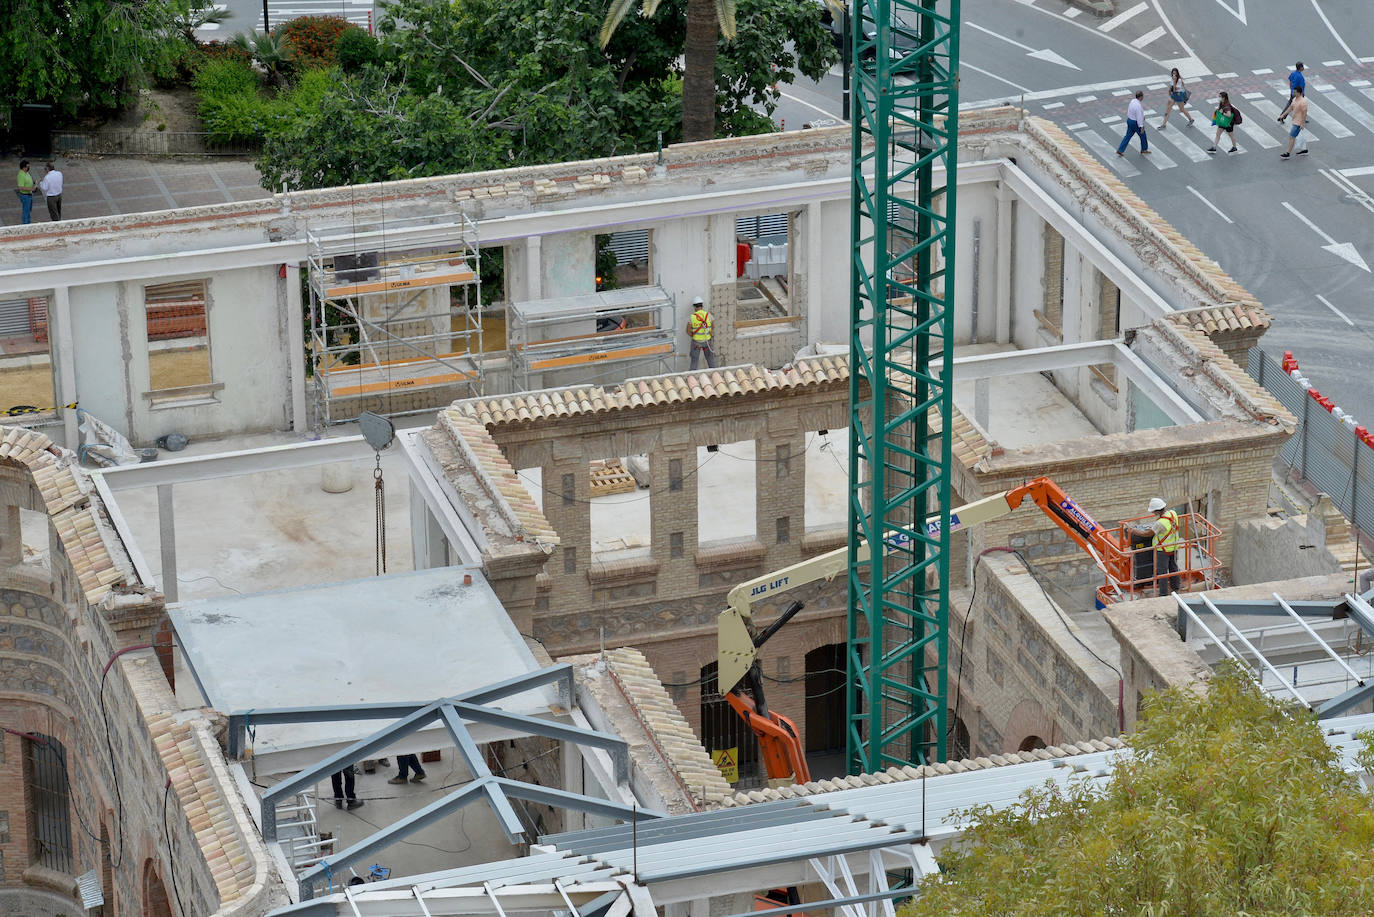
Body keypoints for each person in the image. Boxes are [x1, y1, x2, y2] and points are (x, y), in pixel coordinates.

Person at [1134, 497, 1181, 596]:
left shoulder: (1160, 523)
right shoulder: (1173, 513)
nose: (1153, 514)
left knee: (1162, 573)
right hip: (1174, 546)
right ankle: (1176, 587)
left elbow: (1148, 534)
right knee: (1173, 568)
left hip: (1162, 550)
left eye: (1154, 512)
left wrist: (1133, 531)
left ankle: (1163, 594)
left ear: (1157, 511)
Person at [1115, 90, 1151, 157]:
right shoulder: (1138, 106)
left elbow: (1132, 111)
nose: (1143, 97)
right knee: (1143, 135)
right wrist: (1141, 127)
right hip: (1135, 123)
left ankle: (1120, 149)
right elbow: (1139, 117)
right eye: (1142, 96)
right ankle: (1144, 149)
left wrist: (1142, 116)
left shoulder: (1133, 101)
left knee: (1128, 136)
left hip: (1129, 120)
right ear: (1140, 97)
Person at [686, 296, 717, 370]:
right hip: (707, 342)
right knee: (711, 361)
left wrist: (694, 336)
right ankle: (715, 376)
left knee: (694, 362)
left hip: (696, 343)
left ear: (694, 307)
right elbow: (713, 327)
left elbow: (687, 331)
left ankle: (692, 379)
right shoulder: (709, 315)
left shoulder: (692, 317)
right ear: (702, 306)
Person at [1280, 86, 1310, 159]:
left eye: (1295, 92)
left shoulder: (1303, 102)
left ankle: (1288, 153)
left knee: (1292, 137)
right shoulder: (1294, 99)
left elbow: (1304, 113)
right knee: (1300, 136)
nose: (1293, 93)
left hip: (1298, 123)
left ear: (1299, 93)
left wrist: (1302, 123)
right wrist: (1283, 115)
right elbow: (1291, 108)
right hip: (1295, 120)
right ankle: (1304, 150)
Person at [15, 160, 34, 225]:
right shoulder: (21, 175)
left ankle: (28, 223)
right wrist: (31, 188)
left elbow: (28, 181)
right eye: (27, 167)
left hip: (29, 194)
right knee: (26, 211)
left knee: (28, 210)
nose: (28, 168)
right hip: (25, 195)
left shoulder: (26, 173)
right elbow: (20, 187)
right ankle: (25, 224)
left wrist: (33, 183)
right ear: (23, 167)